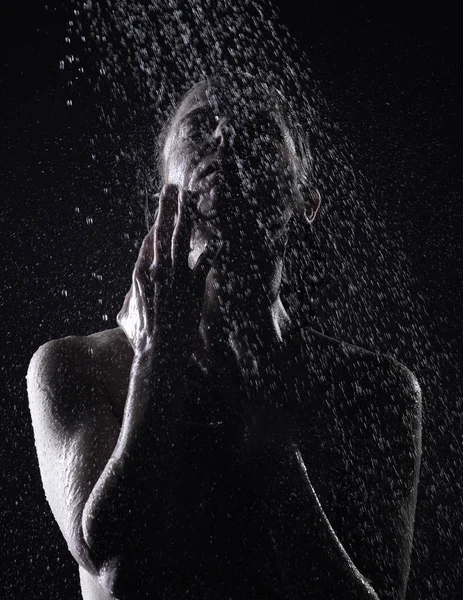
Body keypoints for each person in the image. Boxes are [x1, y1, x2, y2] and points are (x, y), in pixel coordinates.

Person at [27, 74, 422, 600]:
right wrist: (156, 365)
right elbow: (110, 560)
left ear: (307, 203)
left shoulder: (376, 388)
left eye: (259, 126)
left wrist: (272, 446)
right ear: (160, 200)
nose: (228, 132)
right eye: (200, 123)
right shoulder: (73, 368)